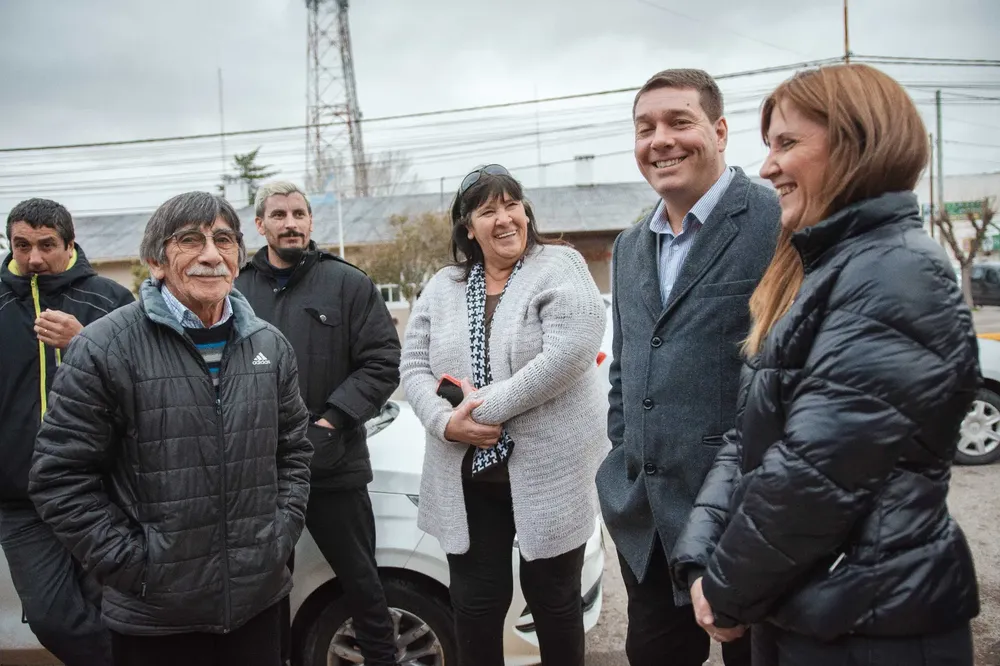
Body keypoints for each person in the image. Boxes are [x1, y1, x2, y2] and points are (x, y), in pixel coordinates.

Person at [670, 63, 980, 666]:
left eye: (787, 143)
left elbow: (814, 474)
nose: (767, 167)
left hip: (871, 626)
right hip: (811, 609)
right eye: (768, 146)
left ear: (858, 144)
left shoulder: (896, 274)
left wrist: (728, 589)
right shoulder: (826, 268)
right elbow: (751, 435)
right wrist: (701, 552)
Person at [28, 191, 314, 666]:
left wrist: (276, 540)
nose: (210, 254)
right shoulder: (105, 347)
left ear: (239, 258)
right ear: (154, 262)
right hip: (154, 615)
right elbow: (60, 479)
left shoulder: (270, 345)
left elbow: (294, 454)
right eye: (189, 240)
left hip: (257, 603)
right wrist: (137, 567)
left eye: (223, 239)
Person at [593, 68, 780, 666]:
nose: (661, 140)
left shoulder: (775, 223)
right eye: (645, 128)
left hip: (741, 515)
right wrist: (625, 453)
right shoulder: (629, 246)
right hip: (646, 516)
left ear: (720, 131)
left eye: (680, 122)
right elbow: (626, 366)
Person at [400, 164, 608, 666]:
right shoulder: (445, 285)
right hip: (468, 474)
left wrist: (482, 410)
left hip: (550, 471)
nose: (504, 218)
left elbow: (570, 354)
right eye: (488, 210)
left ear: (526, 212)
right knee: (475, 602)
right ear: (468, 227)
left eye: (512, 204)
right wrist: (445, 422)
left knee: (554, 600)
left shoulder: (560, 265)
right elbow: (414, 364)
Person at [235, 180, 401, 666]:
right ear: (260, 225)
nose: (290, 223)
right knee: (264, 592)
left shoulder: (347, 283)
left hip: (333, 465)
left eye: (299, 214)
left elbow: (382, 361)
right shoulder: (237, 290)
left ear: (311, 222)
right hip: (257, 474)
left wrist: (330, 423)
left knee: (363, 584)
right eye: (279, 215)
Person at [0, 198, 133, 666]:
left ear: (70, 243)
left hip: (99, 488)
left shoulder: (109, 301)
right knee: (51, 615)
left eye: (46, 245)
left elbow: (145, 379)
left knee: (113, 606)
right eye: (22, 245)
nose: (33, 258)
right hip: (20, 498)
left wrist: (85, 340)